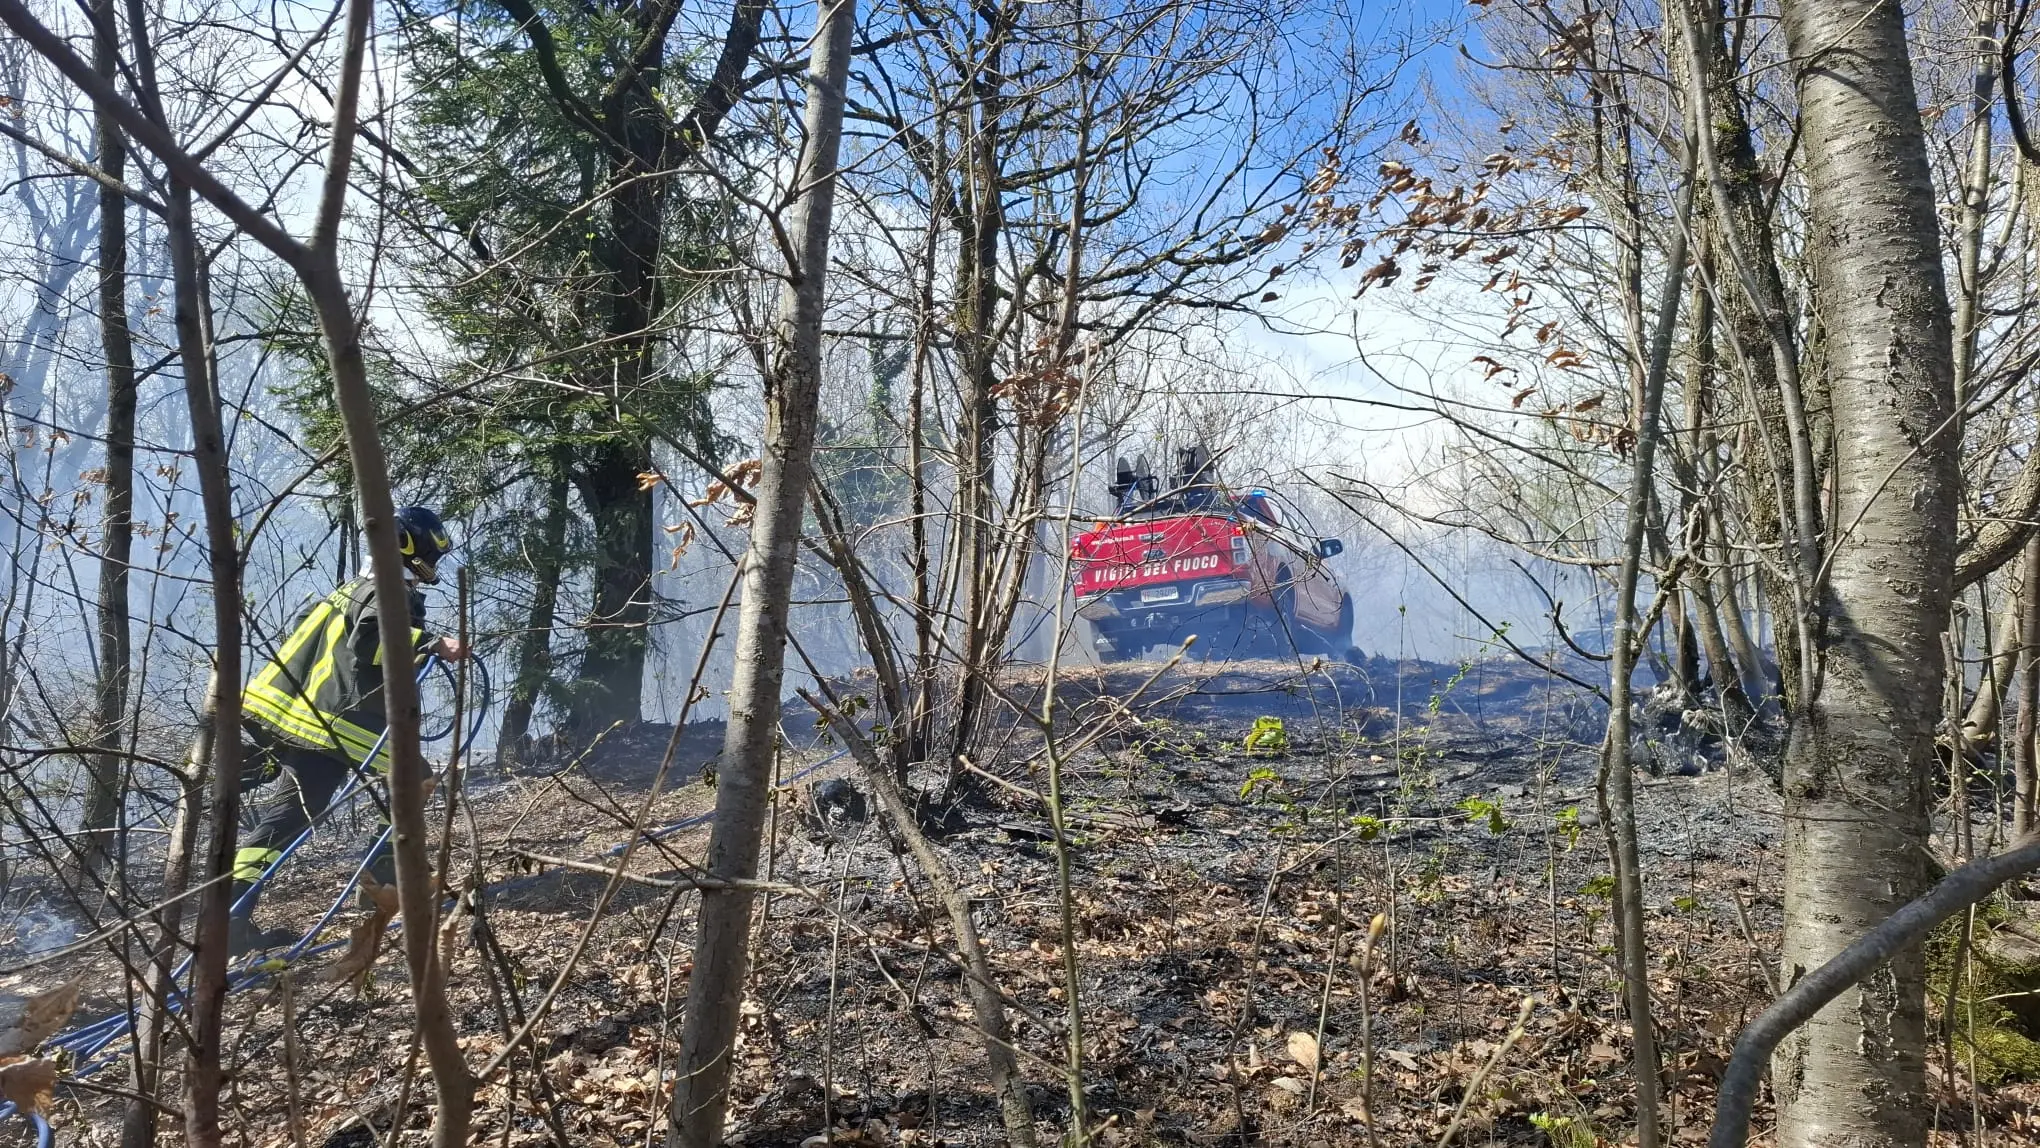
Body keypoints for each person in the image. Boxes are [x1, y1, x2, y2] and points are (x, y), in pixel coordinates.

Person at [229, 506, 467, 954]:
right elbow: (372, 644)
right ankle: (380, 889)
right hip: (337, 726)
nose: (433, 560)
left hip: (306, 720)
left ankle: (231, 923)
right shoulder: (388, 589)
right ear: (408, 543)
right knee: (414, 782)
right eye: (431, 549)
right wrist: (433, 643)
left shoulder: (354, 588)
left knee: (286, 820)